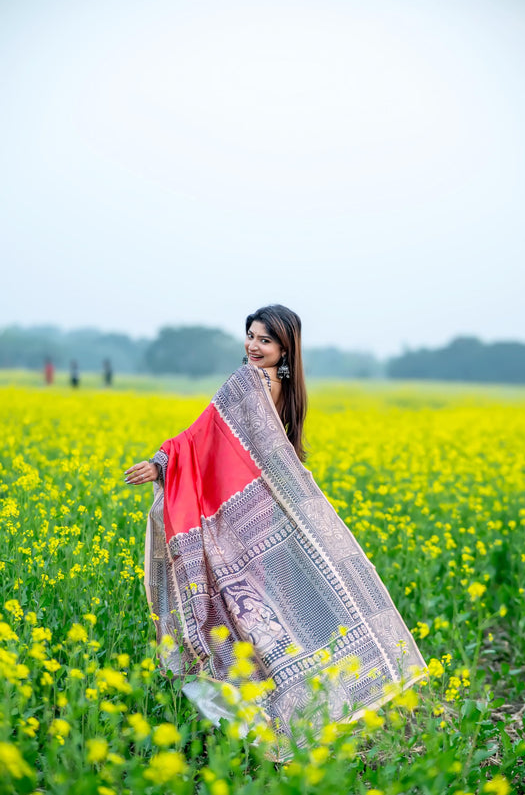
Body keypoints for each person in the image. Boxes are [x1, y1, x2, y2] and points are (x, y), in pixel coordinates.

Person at [125, 305, 425, 757]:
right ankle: (280, 711)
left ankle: (244, 718)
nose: (253, 346)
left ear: (285, 347)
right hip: (259, 518)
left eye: (264, 340)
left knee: (228, 614)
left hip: (232, 520)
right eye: (250, 336)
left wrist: (160, 463)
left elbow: (199, 435)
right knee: (259, 616)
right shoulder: (284, 388)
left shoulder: (250, 383)